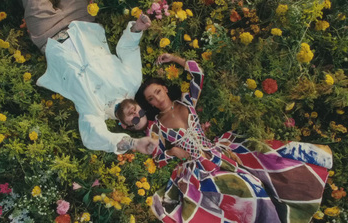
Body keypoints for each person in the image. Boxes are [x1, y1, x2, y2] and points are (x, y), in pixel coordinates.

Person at [135, 53, 333, 223]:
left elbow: (198, 75)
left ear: (165, 88)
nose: (158, 98)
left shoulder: (186, 101)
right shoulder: (157, 126)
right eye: (151, 98)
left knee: (260, 181)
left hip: (219, 153)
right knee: (245, 194)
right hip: (198, 169)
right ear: (150, 103)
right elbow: (157, 157)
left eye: (158, 91)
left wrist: (174, 59)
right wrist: (172, 151)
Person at [23, 0, 157, 155]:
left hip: (48, 34)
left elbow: (92, 137)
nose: (136, 114)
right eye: (141, 114)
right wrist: (136, 29)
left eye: (134, 121)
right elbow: (128, 48)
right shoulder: (132, 81)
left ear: (124, 126)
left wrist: (133, 143)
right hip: (80, 19)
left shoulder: (94, 112)